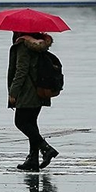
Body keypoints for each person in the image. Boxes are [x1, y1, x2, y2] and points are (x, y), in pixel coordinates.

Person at [7, 31, 60, 172]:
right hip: (40, 90)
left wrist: (13, 92)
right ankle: (33, 160)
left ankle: (46, 149)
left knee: (21, 122)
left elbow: (21, 71)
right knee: (31, 124)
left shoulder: (23, 46)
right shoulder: (40, 44)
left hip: (27, 91)